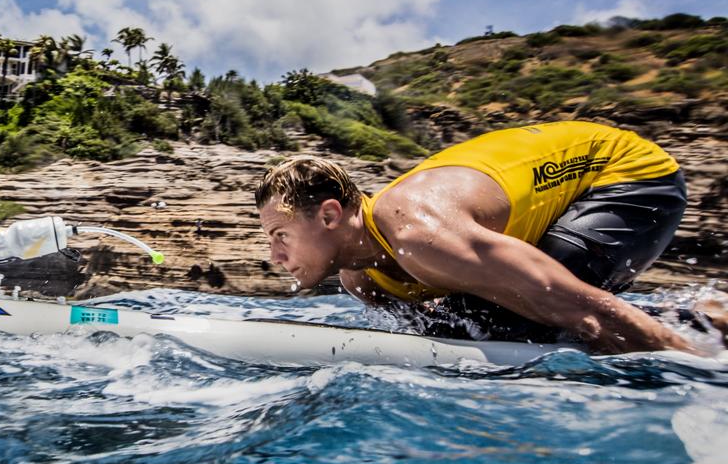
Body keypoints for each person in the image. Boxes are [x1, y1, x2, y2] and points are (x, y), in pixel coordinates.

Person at [255, 121, 704, 353]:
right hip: (548, 209)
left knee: (524, 324)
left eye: (281, 235)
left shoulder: (418, 232)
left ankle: (693, 348)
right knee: (471, 323)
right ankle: (702, 318)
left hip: (627, 176)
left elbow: (581, 310)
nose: (274, 255)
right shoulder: (361, 279)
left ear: (330, 215)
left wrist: (697, 376)